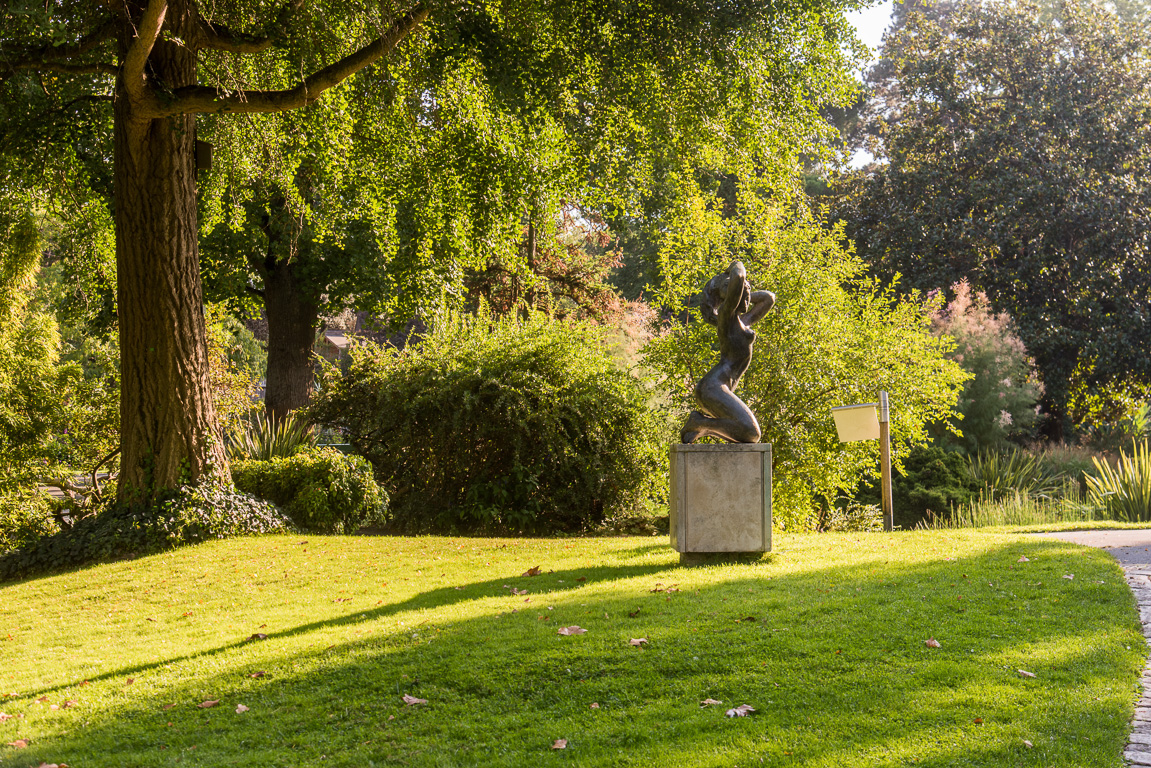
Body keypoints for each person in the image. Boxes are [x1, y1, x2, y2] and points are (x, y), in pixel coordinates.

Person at [680, 260, 775, 444]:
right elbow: (739, 276)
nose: (744, 288)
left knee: (743, 436)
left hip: (718, 387)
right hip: (713, 387)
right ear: (723, 297)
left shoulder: (743, 321)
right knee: (752, 433)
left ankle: (702, 426)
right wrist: (735, 265)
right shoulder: (726, 315)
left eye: (747, 288)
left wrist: (745, 293)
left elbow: (768, 298)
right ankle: (699, 422)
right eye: (730, 287)